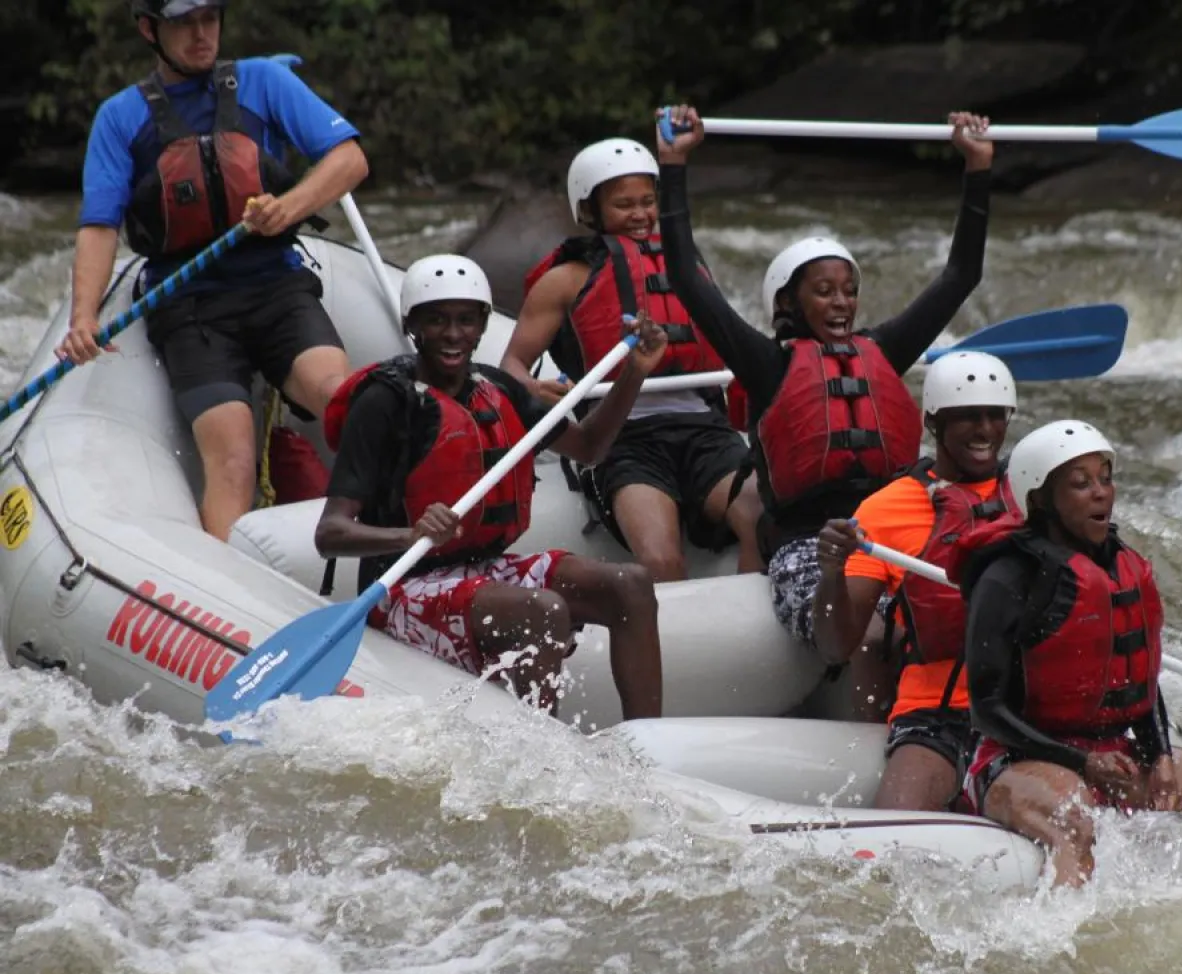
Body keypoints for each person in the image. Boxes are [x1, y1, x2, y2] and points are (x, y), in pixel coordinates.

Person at [655, 104, 994, 651]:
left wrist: (976, 168)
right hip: (807, 550)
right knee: (882, 633)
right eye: (824, 291)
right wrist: (674, 165)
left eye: (849, 290)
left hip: (894, 539)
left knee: (977, 613)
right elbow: (689, 285)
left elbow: (961, 275)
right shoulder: (768, 364)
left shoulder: (883, 349)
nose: (842, 303)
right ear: (789, 301)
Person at [55, 0, 369, 541]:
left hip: (277, 285)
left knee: (343, 396)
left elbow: (350, 159)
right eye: (184, 24)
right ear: (149, 30)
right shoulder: (120, 118)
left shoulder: (264, 82)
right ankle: (238, 598)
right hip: (191, 308)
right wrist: (83, 317)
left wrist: (287, 209)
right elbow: (99, 226)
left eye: (210, 20)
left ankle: (386, 542)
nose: (202, 35)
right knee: (232, 461)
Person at [953, 420, 1182, 887]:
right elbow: (987, 710)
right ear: (1039, 499)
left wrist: (1158, 753)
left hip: (1114, 756)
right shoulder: (1007, 579)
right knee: (1076, 825)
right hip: (1016, 762)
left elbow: (1138, 680)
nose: (1101, 492)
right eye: (1081, 483)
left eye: (1105, 477)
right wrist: (1081, 763)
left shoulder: (1125, 566)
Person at [315, 255, 663, 719]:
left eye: (465, 320)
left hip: (484, 570)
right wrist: (409, 536)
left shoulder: (497, 388)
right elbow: (330, 533)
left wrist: (634, 373)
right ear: (411, 324)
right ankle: (543, 755)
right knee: (543, 610)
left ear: (482, 324)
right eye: (436, 320)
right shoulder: (384, 402)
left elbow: (589, 449)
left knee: (631, 584)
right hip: (403, 588)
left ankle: (649, 744)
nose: (453, 334)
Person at [502, 137, 764, 581]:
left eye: (647, 201)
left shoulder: (687, 268)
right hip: (623, 439)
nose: (641, 214)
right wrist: (531, 387)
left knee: (760, 519)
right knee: (661, 560)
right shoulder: (564, 280)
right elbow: (511, 365)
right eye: (624, 204)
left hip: (704, 430)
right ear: (590, 210)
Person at [812, 351, 1022, 811]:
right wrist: (830, 572)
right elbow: (834, 646)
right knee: (896, 823)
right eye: (967, 417)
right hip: (936, 714)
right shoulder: (884, 511)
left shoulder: (1034, 493)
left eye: (995, 415)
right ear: (933, 422)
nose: (985, 430)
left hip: (1029, 708)